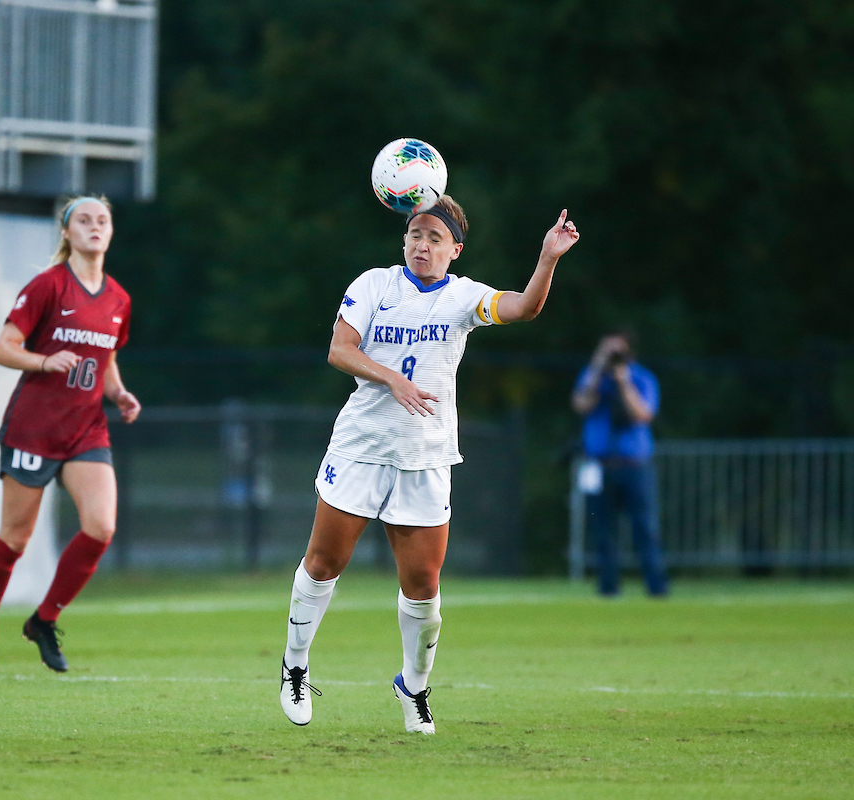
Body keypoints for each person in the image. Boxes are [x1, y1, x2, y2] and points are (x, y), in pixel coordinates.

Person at [278, 197, 580, 734]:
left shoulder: (463, 296)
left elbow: (523, 309)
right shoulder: (374, 285)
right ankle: (295, 666)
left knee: (423, 585)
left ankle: (413, 687)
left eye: (434, 238)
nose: (422, 244)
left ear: (455, 250)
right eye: (415, 234)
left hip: (426, 457)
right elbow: (340, 350)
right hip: (361, 448)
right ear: (404, 240)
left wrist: (548, 259)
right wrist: (392, 378)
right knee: (323, 564)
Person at [0, 195, 141, 676]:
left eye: (103, 220)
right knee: (14, 539)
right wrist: (43, 360)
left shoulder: (118, 298)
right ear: (66, 231)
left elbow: (106, 359)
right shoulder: (48, 285)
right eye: (84, 220)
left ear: (111, 231)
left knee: (101, 528)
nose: (94, 227)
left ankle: (43, 620)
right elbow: (3, 348)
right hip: (33, 430)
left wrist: (119, 393)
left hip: (85, 430)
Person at [571, 331, 668, 597]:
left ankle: (656, 586)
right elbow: (581, 405)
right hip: (598, 464)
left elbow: (643, 414)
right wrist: (596, 369)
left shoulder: (642, 378)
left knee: (645, 527)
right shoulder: (592, 377)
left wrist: (623, 382)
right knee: (602, 529)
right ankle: (608, 587)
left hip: (634, 464)